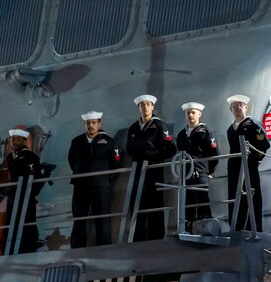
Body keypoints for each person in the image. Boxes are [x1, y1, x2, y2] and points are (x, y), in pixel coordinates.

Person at [125, 94, 176, 241]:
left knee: (154, 204)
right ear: (139, 108)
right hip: (137, 169)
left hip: (153, 170)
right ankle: (138, 239)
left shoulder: (159, 125)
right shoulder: (134, 128)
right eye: (142, 105)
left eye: (148, 104)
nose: (145, 107)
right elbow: (129, 148)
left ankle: (157, 239)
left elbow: (171, 148)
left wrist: (154, 156)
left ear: (152, 107)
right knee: (137, 203)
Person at [68, 112, 122, 247]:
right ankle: (77, 249)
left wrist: (103, 177)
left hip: (100, 185)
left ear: (99, 124)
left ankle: (104, 248)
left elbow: (116, 163)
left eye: (93, 123)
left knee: (103, 218)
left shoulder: (109, 142)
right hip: (81, 185)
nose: (90, 126)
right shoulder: (77, 142)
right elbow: (72, 161)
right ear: (84, 124)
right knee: (79, 218)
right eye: (88, 123)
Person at [224, 95, 270, 232]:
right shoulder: (230, 129)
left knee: (252, 196)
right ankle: (236, 228)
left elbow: (264, 144)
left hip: (249, 166)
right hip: (234, 168)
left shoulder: (253, 124)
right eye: (234, 106)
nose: (237, 108)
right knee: (234, 196)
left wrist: (256, 160)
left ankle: (254, 228)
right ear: (230, 109)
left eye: (240, 105)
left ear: (246, 107)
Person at [175, 103, 219, 229]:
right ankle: (188, 229)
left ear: (199, 114)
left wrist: (209, 171)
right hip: (186, 173)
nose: (190, 115)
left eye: (193, 112)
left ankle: (207, 229)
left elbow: (214, 152)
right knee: (187, 203)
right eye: (188, 113)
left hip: (201, 171)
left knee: (202, 200)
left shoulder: (206, 131)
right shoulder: (182, 134)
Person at [4, 127, 43, 253]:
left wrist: (32, 193)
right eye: (12, 139)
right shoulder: (10, 157)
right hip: (13, 195)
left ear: (24, 140)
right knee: (12, 223)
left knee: (27, 225)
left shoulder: (31, 157)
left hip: (26, 195)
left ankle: (28, 251)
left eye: (17, 139)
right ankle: (13, 250)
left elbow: (37, 177)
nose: (13, 142)